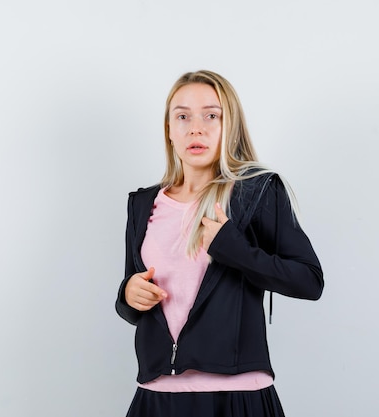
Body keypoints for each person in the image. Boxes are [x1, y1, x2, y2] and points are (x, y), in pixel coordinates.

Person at [115, 70, 324, 417]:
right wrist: (129, 294)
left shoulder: (256, 193)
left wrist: (233, 248)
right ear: (169, 130)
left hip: (238, 396)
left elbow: (309, 281)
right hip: (157, 396)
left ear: (230, 127)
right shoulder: (142, 205)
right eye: (182, 116)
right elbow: (132, 305)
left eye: (211, 115)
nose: (195, 128)